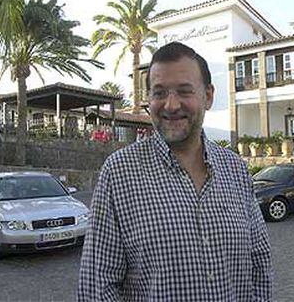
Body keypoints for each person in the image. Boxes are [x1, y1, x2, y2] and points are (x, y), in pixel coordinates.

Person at [77, 42, 273, 301]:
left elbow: (259, 264)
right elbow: (97, 287)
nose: (171, 105)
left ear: (208, 96)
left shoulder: (235, 169)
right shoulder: (119, 173)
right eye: (159, 93)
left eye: (184, 91)